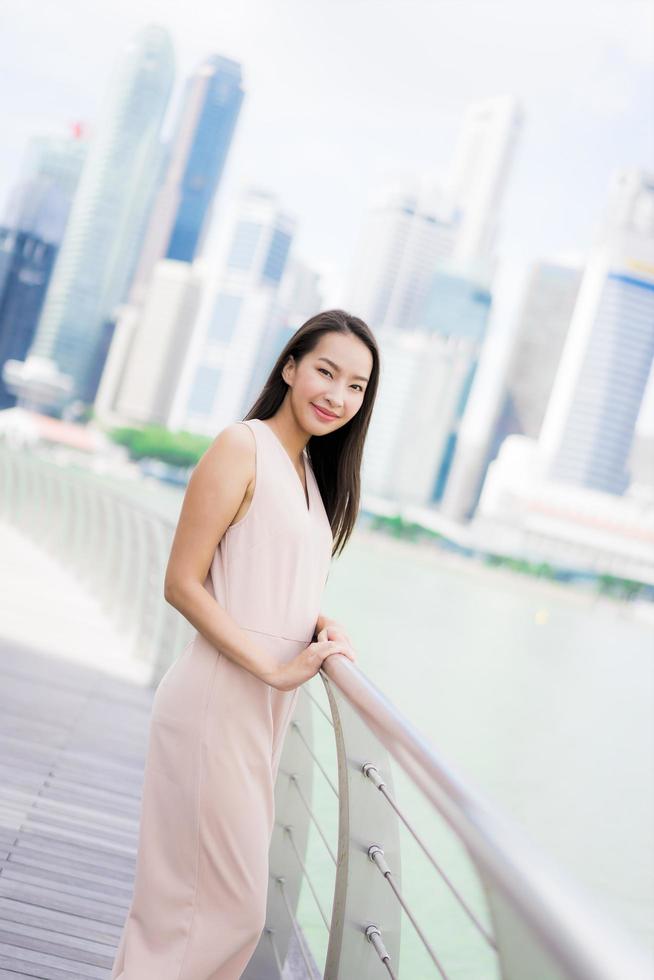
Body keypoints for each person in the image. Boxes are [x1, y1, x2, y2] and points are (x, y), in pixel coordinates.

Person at [111, 309, 380, 979]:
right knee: (219, 911)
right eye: (325, 371)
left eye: (356, 386)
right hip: (217, 701)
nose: (338, 395)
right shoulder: (243, 444)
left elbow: (267, 573)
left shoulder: (311, 474)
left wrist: (318, 625)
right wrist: (272, 664)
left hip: (259, 710)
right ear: (289, 367)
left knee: (201, 910)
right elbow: (182, 581)